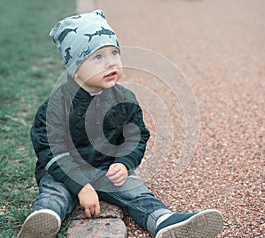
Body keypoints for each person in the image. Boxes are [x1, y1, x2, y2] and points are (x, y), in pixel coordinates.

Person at [17, 10, 223, 238]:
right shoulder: (56, 105)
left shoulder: (124, 99)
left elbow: (135, 137)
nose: (110, 63)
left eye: (114, 53)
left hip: (106, 168)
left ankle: (164, 221)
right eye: (97, 57)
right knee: (55, 192)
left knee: (137, 192)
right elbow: (51, 150)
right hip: (64, 171)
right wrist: (81, 186)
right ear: (75, 69)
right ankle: (45, 218)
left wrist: (124, 163)